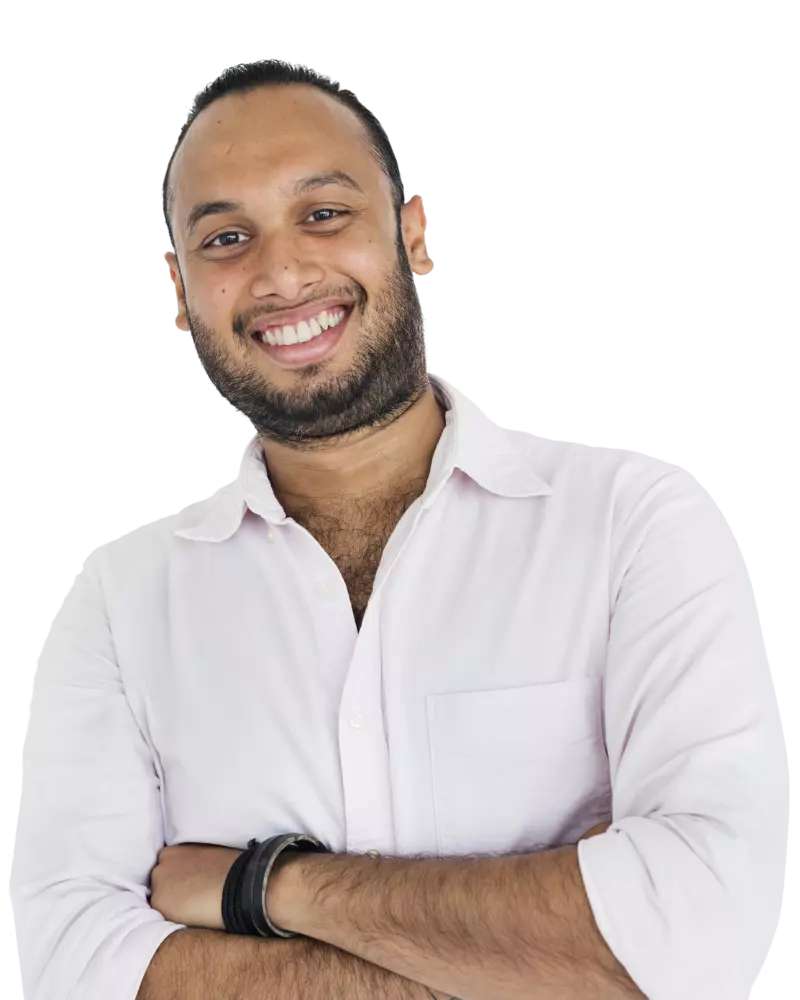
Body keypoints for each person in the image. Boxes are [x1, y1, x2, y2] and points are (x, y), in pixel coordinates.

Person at [12, 59, 789, 1000]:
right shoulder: (117, 599)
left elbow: (713, 925)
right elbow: (69, 965)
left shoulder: (636, 519)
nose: (283, 270)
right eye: (226, 237)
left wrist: (260, 887)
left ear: (414, 235)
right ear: (179, 292)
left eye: (325, 213)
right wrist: (558, 949)